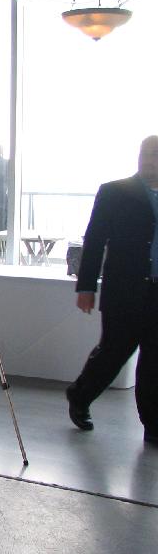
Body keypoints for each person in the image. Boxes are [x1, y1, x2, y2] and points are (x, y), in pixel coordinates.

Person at [66, 135, 158, 444]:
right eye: (146, 153)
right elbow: (94, 240)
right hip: (124, 290)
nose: (149, 160)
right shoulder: (115, 192)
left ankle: (153, 424)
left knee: (154, 360)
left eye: (156, 154)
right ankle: (80, 395)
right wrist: (86, 286)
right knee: (114, 352)